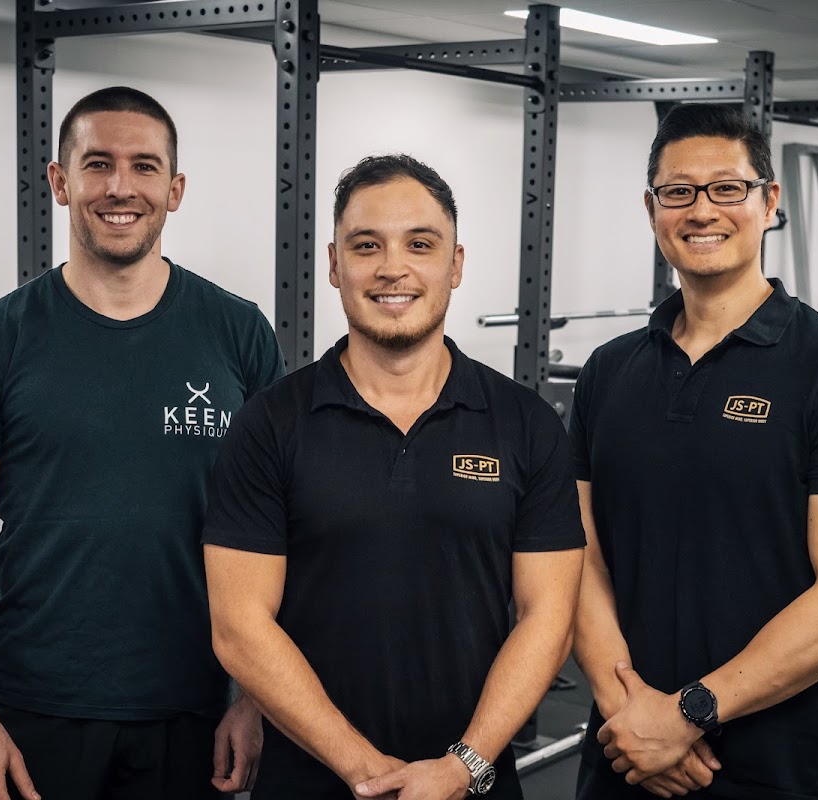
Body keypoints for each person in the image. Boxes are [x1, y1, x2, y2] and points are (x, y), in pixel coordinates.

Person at [0, 86, 284, 800]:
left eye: (145, 166)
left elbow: (273, 530)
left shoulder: (239, 333)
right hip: (36, 705)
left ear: (175, 190)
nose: (121, 188)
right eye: (98, 164)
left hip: (194, 701)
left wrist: (256, 698)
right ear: (60, 182)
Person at [201, 154, 585, 800]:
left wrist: (462, 766)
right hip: (313, 782)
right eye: (366, 245)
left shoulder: (525, 424)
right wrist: (369, 773)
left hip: (474, 782)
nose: (392, 267)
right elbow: (240, 627)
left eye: (420, 244)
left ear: (455, 264)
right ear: (334, 264)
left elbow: (547, 617)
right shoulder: (270, 424)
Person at [570, 104, 818, 800]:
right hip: (626, 749)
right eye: (678, 192)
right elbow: (579, 557)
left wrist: (687, 715)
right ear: (652, 209)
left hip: (783, 760)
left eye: (727, 188)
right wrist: (631, 713)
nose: (702, 211)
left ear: (769, 201)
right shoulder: (608, 371)